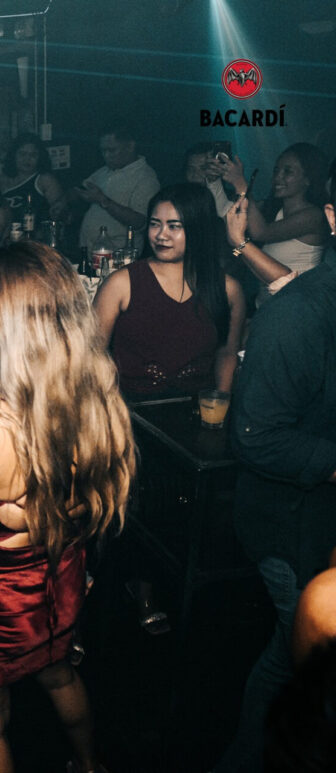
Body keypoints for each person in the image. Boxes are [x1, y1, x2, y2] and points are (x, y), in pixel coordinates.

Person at [0, 241, 135, 773]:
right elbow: (98, 497)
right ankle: (90, 765)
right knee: (60, 675)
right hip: (62, 586)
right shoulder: (98, 398)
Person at [212, 186, 336, 773]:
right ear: (333, 217)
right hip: (292, 526)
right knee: (299, 658)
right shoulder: (299, 315)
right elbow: (256, 437)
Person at [93, 183, 245, 400]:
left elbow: (228, 352)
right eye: (155, 224)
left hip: (199, 409)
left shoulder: (227, 289)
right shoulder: (121, 284)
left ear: (198, 229)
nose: (161, 235)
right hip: (132, 409)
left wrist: (220, 401)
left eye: (174, 226)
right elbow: (92, 354)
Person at [217, 142, 329, 300]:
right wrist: (213, 181)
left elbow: (260, 233)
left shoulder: (313, 216)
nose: (278, 177)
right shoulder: (273, 211)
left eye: (287, 171)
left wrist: (240, 184)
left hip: (298, 305)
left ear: (307, 179)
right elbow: (225, 213)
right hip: (269, 306)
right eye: (276, 170)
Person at [75, 124, 160, 252]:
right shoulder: (105, 171)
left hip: (119, 255)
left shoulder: (146, 178)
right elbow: (82, 188)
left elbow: (140, 222)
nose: (106, 155)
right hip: (90, 250)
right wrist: (63, 202)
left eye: (112, 150)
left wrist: (103, 200)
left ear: (130, 146)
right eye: (103, 151)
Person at [0, 133, 67, 227]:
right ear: (13, 155)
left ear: (40, 157)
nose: (27, 159)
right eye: (22, 154)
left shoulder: (45, 180)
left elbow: (61, 214)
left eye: (33, 155)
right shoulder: (2, 179)